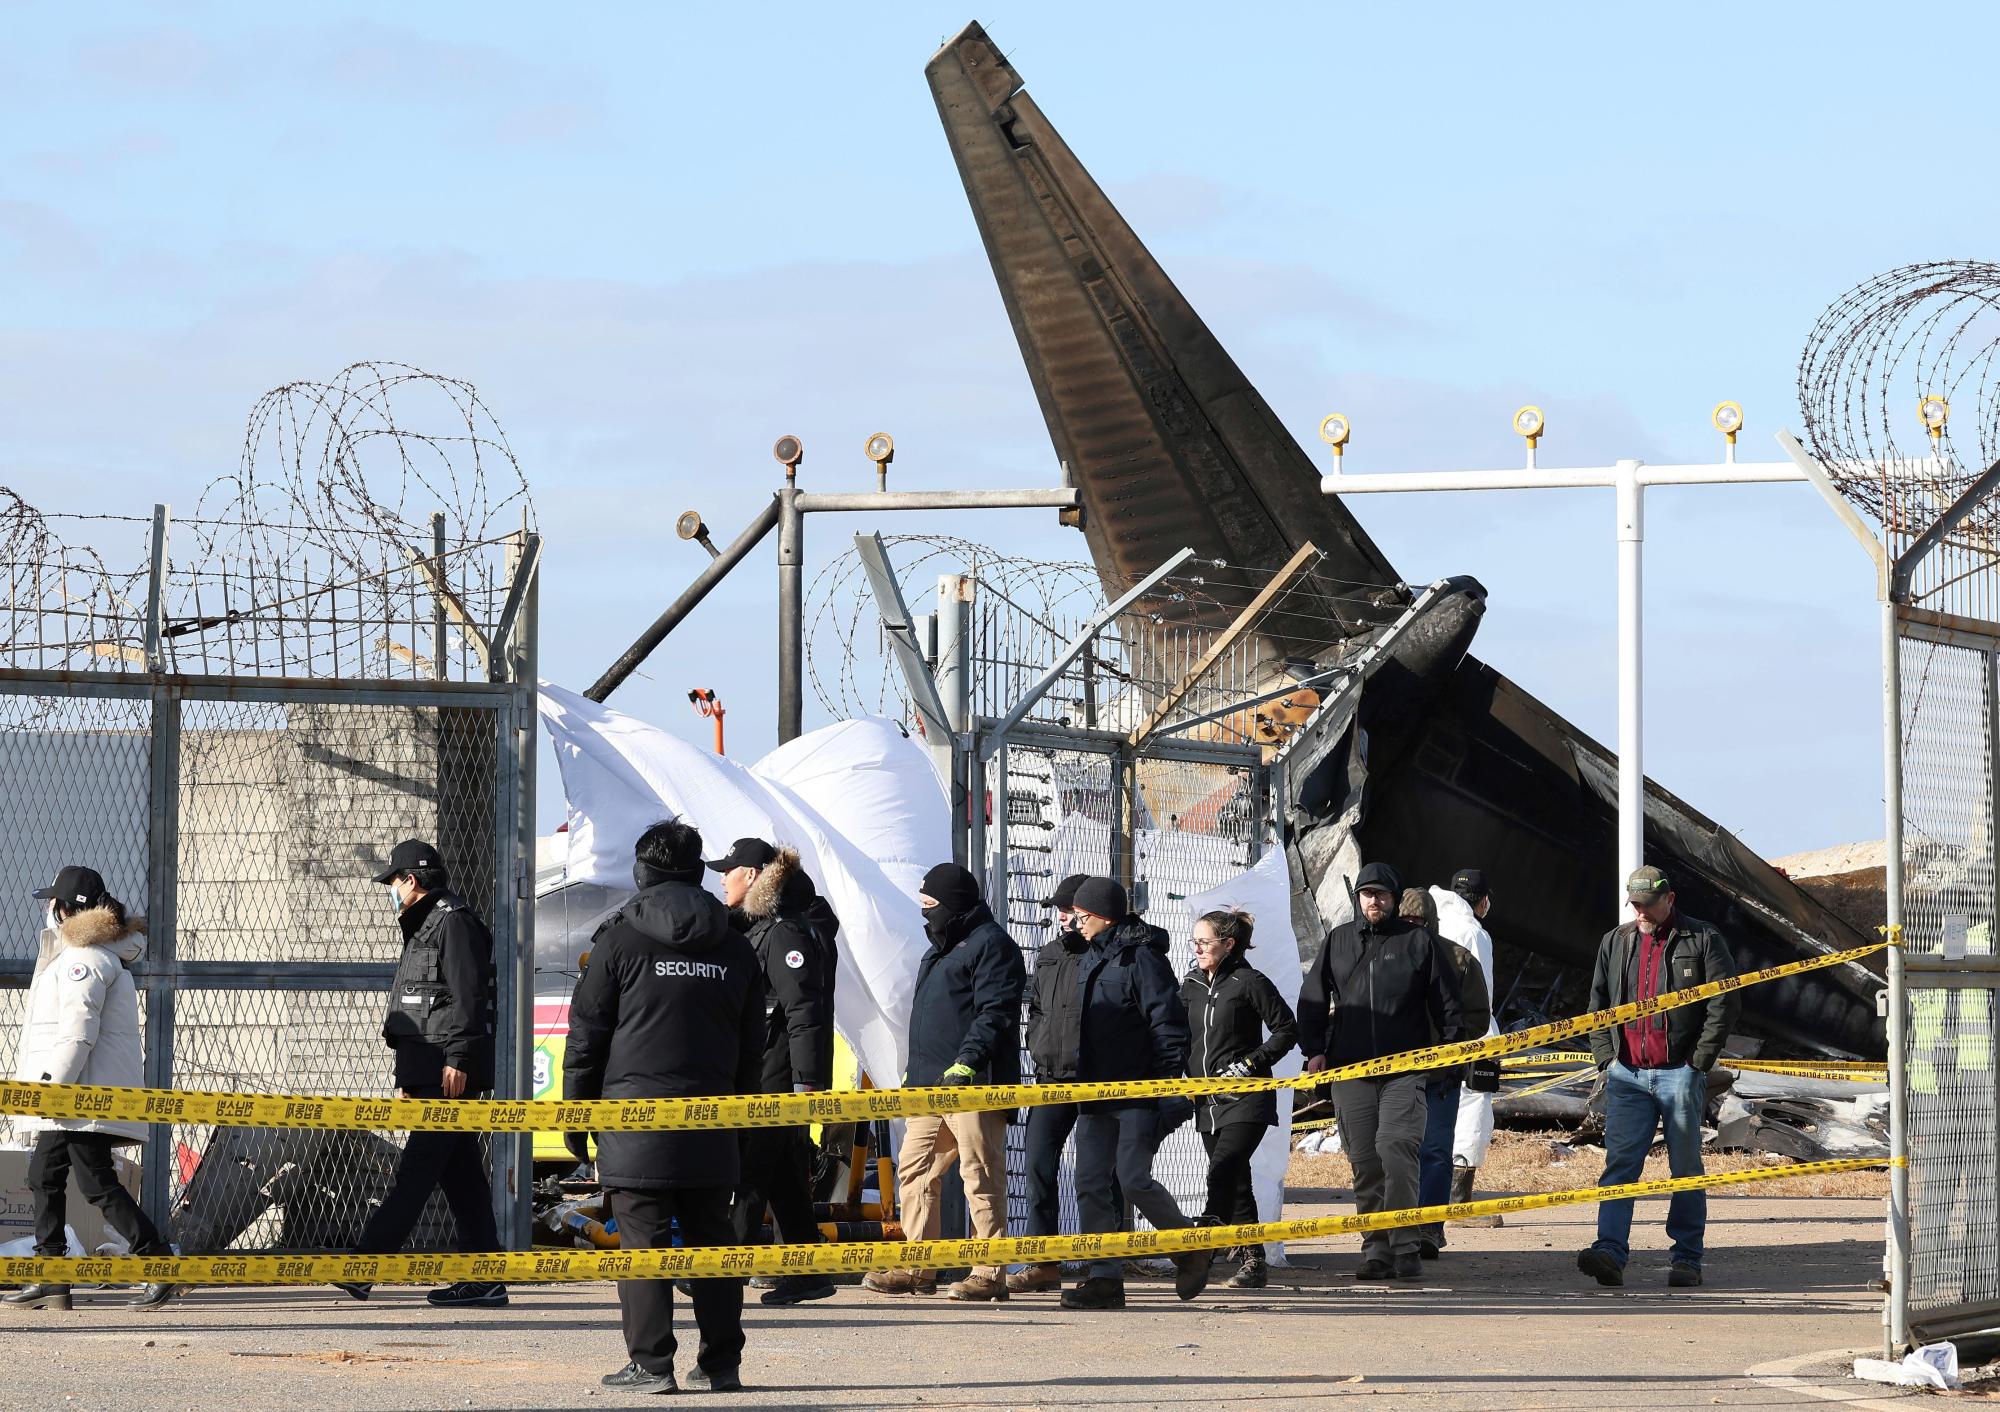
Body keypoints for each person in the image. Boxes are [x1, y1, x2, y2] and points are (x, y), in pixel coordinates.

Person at [566, 820, 765, 1395]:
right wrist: (741, 1117)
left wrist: (577, 1118)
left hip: (635, 1122)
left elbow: (587, 1035)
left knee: (643, 1244)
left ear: (642, 870)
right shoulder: (735, 945)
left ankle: (652, 1365)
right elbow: (754, 1045)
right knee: (714, 1240)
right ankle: (722, 1362)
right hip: (713, 1119)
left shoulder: (619, 940)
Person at [333, 839, 504, 1309]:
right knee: (463, 1179)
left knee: (416, 1172)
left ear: (410, 880)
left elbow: (469, 999)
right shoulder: (427, 925)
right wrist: (412, 1074)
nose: (390, 890)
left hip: (447, 1074)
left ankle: (364, 1265)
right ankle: (486, 1277)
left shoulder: (453, 923)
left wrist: (459, 1059)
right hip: (430, 1071)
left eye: (392, 881)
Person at [4, 866, 179, 1313]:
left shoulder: (86, 961)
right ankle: (51, 1276)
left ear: (65, 909)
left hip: (79, 1096)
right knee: (43, 1175)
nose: (47, 911)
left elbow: (79, 1031)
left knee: (96, 1183)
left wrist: (52, 1090)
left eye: (52, 903)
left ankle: (157, 1262)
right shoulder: (84, 956)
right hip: (72, 1096)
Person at [864, 863, 1025, 1302]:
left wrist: (968, 1061)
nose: (925, 914)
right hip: (929, 1084)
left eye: (930, 905)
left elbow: (996, 1011)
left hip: (972, 1083)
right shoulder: (939, 947)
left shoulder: (993, 946)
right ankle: (918, 1266)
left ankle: (989, 1271)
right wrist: (916, 1071)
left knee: (981, 1174)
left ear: (952, 904)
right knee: (914, 1170)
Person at [1295, 862, 1462, 1281]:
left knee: (1396, 1148)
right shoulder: (1338, 941)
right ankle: (1376, 1250)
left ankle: (1406, 1245)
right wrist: (1314, 1050)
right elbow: (1313, 999)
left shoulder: (1418, 942)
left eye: (1382, 895)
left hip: (1405, 1070)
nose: (1374, 901)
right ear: (1358, 899)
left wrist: (1450, 1054)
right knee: (1366, 1160)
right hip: (1350, 1071)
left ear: (1394, 897)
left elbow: (1448, 1003)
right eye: (1367, 894)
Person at [1578, 865, 1738, 1290]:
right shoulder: (1616, 942)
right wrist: (1606, 1059)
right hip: (1627, 1075)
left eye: (1648, 904)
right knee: (1619, 1166)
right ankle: (1609, 1251)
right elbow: (1598, 1003)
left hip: (1679, 1075)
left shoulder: (1703, 939)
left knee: (1685, 1168)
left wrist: (1698, 1062)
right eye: (1635, 904)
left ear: (1670, 900)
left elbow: (1723, 1003)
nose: (1641, 911)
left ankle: (1687, 1258)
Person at [1061, 877, 1213, 1310]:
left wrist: (1162, 1086)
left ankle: (1189, 1249)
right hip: (1093, 1093)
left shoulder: (1142, 959)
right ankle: (1104, 1278)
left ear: (1103, 916)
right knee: (1089, 1182)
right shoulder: (1090, 956)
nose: (1076, 923)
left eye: (1082, 916)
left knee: (1132, 1179)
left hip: (1136, 1094)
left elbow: (1168, 1023)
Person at [710, 838, 838, 1308]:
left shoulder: (783, 932)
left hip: (778, 1073)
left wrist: (806, 1083)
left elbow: (804, 1010)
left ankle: (725, 1270)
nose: (722, 878)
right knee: (783, 1171)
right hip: (767, 1066)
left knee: (750, 1170)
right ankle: (807, 1272)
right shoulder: (761, 926)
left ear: (753, 875)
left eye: (730, 870)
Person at [1181, 908, 1297, 1291]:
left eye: (1204, 942)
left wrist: (1251, 1063)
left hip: (1247, 1099)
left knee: (1223, 1168)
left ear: (1228, 945)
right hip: (1206, 1101)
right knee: (1235, 1178)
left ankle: (1204, 1247)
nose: (1197, 949)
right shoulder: (1191, 985)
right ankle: (1253, 1260)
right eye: (1194, 942)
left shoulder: (1250, 982)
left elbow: (1286, 1029)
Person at [1010, 872, 1096, 1295]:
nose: (1063, 918)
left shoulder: (1106, 955)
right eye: (1059, 911)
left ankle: (1104, 1263)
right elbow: (1038, 1009)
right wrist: (1036, 1043)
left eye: (1069, 910)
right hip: (1050, 1079)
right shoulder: (1048, 953)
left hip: (1098, 1081)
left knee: (1098, 1175)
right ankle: (1044, 1263)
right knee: (1038, 1168)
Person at [1403, 886, 1492, 1259]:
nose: (1414, 928)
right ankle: (1395, 1227)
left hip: (1441, 1075)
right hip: (1394, 1077)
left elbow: (1477, 1015)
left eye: (1420, 922)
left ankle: (1429, 1227)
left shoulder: (1458, 959)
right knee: (1396, 1150)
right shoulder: (1383, 956)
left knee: (1436, 1151)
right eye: (1407, 922)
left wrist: (1451, 1048)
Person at [1431, 869, 1503, 1228]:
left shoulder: (1433, 920)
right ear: (1484, 901)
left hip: (1432, 1037)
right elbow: (1481, 996)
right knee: (1473, 1112)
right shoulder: (1474, 932)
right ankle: (1457, 1203)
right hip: (1470, 1037)